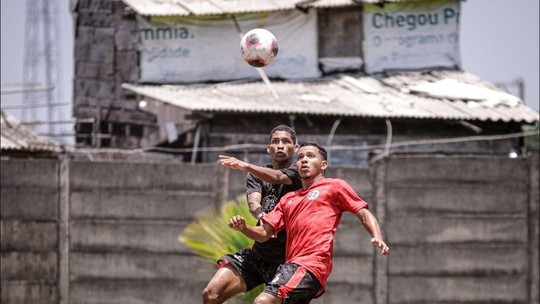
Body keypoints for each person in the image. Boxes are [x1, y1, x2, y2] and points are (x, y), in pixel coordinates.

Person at [228, 142, 390, 304]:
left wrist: (377, 236)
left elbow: (363, 213)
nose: (304, 160)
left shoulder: (334, 186)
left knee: (263, 301)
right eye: (300, 157)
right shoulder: (288, 199)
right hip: (290, 266)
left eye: (310, 156)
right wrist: (244, 228)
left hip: (311, 265)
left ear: (323, 164)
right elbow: (264, 234)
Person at [203, 125, 303, 304]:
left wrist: (244, 165)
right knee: (211, 294)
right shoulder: (256, 175)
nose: (280, 145)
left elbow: (278, 177)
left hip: (287, 261)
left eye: (286, 141)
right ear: (268, 148)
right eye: (275, 142)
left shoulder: (299, 174)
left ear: (295, 148)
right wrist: (261, 215)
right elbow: (253, 202)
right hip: (258, 255)